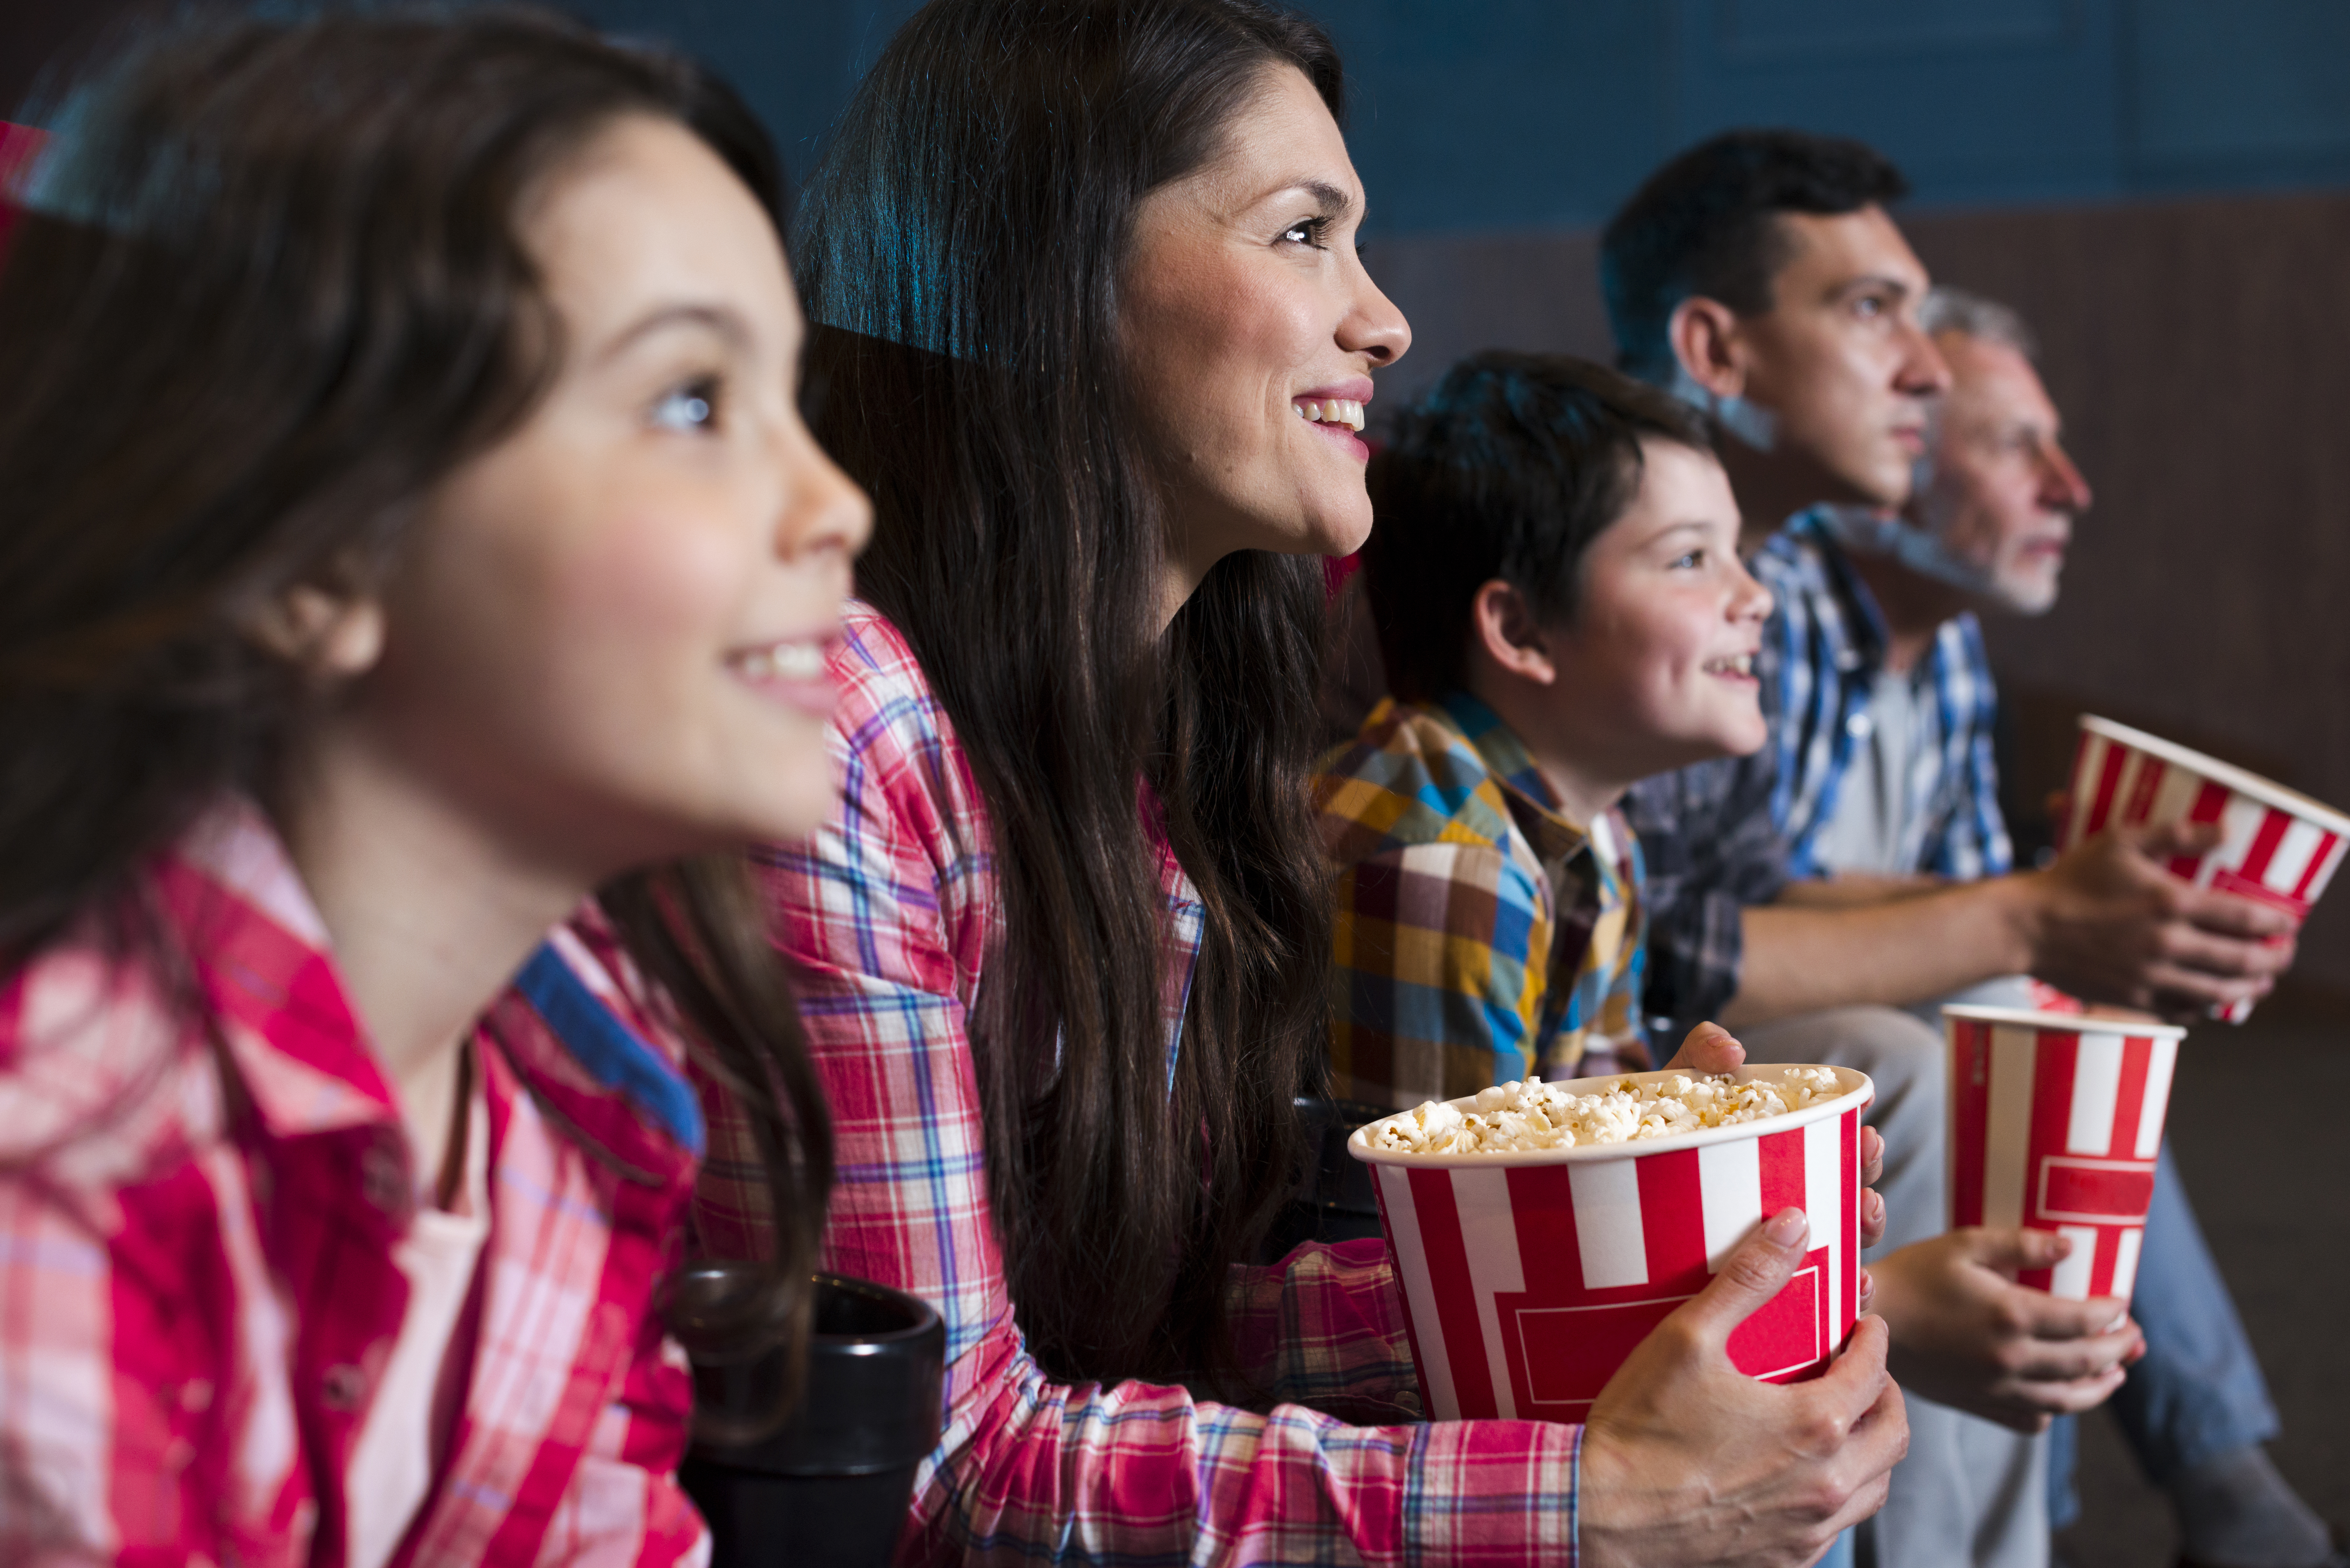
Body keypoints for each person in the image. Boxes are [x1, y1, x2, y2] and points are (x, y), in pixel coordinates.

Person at [694, 5, 1906, 1564]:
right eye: (1301, 234)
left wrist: (1633, 1265)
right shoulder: (846, 726)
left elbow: (1153, 1331)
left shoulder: (1161, 737)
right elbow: (942, 1461)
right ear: (1040, 278)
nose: (1387, 320)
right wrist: (1582, 1508)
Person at [0, 13, 868, 1563]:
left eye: (791, 398)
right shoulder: (58, 1149)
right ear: (315, 550)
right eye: (691, 401)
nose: (838, 504)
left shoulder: (574, 1092)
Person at [1603, 129, 2323, 1565]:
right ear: (1715, 351)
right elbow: (1669, 948)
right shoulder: (1683, 573)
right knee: (1938, 1051)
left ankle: (2130, 1485)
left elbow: (1742, 896)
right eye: (1873, 312)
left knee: (2036, 1026)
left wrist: (2088, 926)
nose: (1920, 371)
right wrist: (2037, 920)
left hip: (1671, 1017)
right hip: (1604, 1058)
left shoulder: (1779, 587)